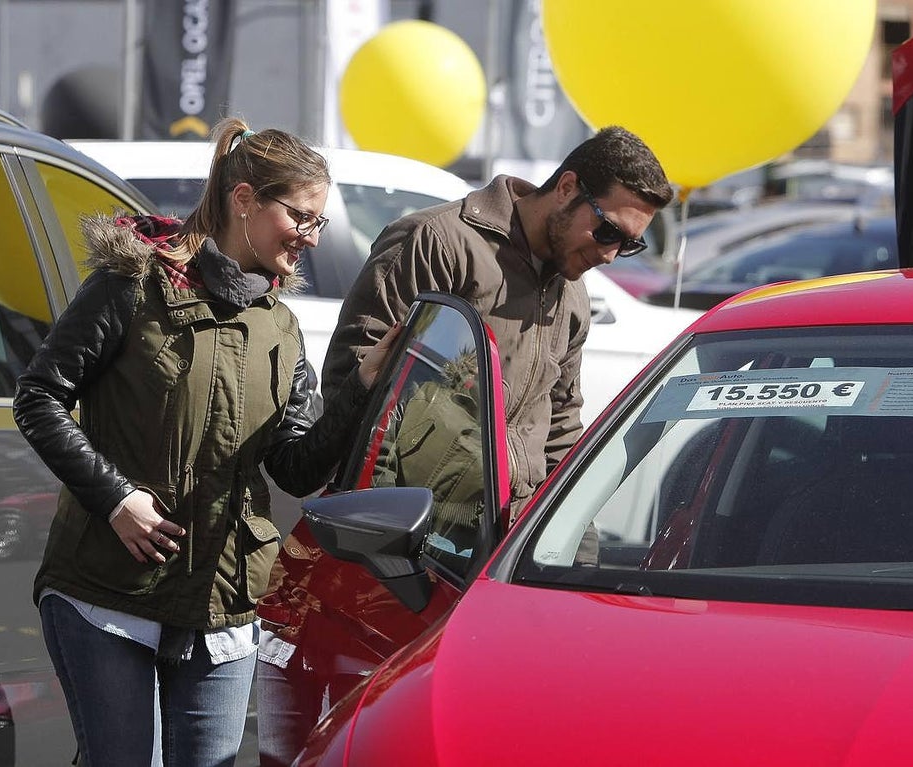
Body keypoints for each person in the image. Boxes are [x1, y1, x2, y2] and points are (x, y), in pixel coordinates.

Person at [255, 125, 673, 767]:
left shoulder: (573, 293)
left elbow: (561, 436)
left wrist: (572, 566)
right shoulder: (437, 242)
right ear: (566, 188)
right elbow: (354, 382)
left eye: (633, 242)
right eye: (609, 230)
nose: (613, 254)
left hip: (502, 576)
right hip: (405, 565)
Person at [12, 117, 397, 767]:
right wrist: (114, 498)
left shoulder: (280, 326)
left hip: (221, 606)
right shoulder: (132, 284)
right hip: (107, 590)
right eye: (300, 216)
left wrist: (361, 385)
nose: (310, 237)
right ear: (243, 199)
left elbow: (295, 468)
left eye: (318, 222)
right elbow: (39, 396)